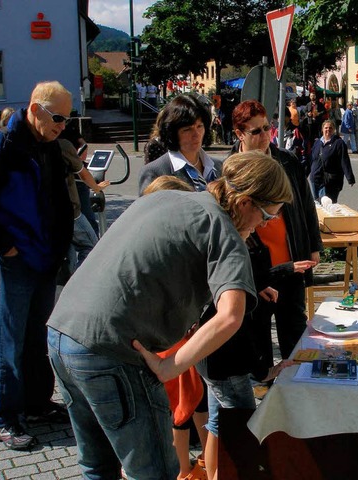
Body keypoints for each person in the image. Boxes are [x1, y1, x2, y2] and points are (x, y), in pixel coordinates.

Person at [47, 151, 293, 479]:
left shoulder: (167, 197)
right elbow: (230, 317)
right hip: (111, 352)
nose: (265, 225)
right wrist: (169, 366)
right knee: (154, 472)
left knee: (98, 466)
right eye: (266, 216)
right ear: (245, 202)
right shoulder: (225, 231)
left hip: (61, 335)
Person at [0, 81, 74, 450]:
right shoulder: (4, 145)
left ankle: (37, 404)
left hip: (44, 259)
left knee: (37, 337)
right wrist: (5, 247)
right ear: (35, 108)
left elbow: (59, 201)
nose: (63, 125)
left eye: (67, 119)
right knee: (7, 342)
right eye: (58, 117)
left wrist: (60, 247)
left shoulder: (52, 147)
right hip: (15, 261)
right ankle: (5, 418)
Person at [228, 100, 322, 366]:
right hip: (258, 270)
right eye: (255, 131)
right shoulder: (232, 168)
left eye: (267, 128)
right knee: (258, 337)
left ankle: (298, 385)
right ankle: (267, 386)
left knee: (294, 330)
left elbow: (306, 206)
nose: (264, 136)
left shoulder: (287, 161)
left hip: (293, 262)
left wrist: (313, 245)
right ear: (239, 134)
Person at [142, 175, 209, 480]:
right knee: (181, 410)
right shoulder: (163, 247)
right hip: (173, 341)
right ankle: (185, 468)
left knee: (195, 402)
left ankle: (204, 460)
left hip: (181, 336)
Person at [138, 94, 222, 195]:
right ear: (172, 133)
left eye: (199, 126)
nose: (196, 134)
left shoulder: (218, 167)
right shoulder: (154, 172)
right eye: (187, 129)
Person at [58, 133, 110, 273]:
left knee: (66, 248)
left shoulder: (33, 145)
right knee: (90, 247)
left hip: (47, 211)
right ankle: (79, 281)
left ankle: (68, 277)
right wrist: (97, 188)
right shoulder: (63, 145)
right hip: (70, 211)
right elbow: (83, 173)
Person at [310, 119, 356, 203]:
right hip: (315, 179)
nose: (328, 130)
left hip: (329, 182)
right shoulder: (317, 143)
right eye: (326, 128)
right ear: (322, 129)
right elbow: (312, 159)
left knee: (327, 206)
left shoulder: (339, 143)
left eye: (330, 128)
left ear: (334, 130)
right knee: (317, 206)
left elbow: (344, 161)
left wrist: (350, 178)